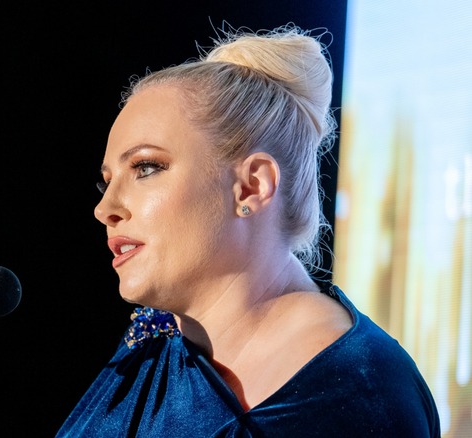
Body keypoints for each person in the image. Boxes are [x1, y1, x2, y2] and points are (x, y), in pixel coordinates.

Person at [57, 26, 440, 437]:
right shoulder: (149, 346)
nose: (105, 209)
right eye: (107, 181)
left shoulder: (362, 391)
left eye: (146, 168)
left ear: (252, 185)